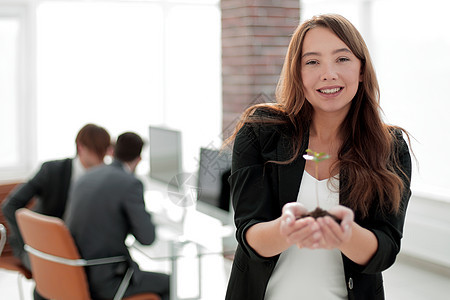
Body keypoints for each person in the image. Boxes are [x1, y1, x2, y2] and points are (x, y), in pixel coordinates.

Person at [225, 14, 412, 300]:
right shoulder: (259, 131)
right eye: (312, 62)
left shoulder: (389, 147)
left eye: (342, 59)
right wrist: (285, 230)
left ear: (361, 69)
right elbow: (249, 234)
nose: (329, 74)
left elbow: (385, 249)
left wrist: (346, 235)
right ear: (297, 73)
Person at [65, 132, 170, 300]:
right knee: (171, 283)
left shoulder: (87, 176)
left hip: (77, 273)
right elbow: (147, 238)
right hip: (107, 281)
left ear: (112, 151)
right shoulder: (131, 184)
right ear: (139, 159)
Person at [2, 123, 111, 271]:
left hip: (77, 247)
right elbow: (10, 205)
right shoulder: (52, 171)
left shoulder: (105, 177)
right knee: (58, 274)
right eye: (96, 152)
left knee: (100, 271)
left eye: (103, 153)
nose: (101, 160)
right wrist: (27, 241)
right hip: (39, 245)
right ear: (80, 148)